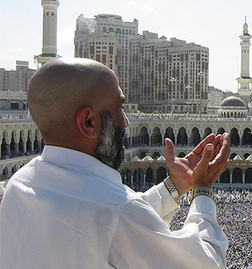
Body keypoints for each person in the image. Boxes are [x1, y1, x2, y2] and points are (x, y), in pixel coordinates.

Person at [0, 58, 230, 268]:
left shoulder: (18, 185)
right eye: (120, 108)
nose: (127, 122)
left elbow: (108, 225)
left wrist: (174, 186)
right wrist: (202, 189)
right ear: (88, 122)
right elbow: (207, 264)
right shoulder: (115, 212)